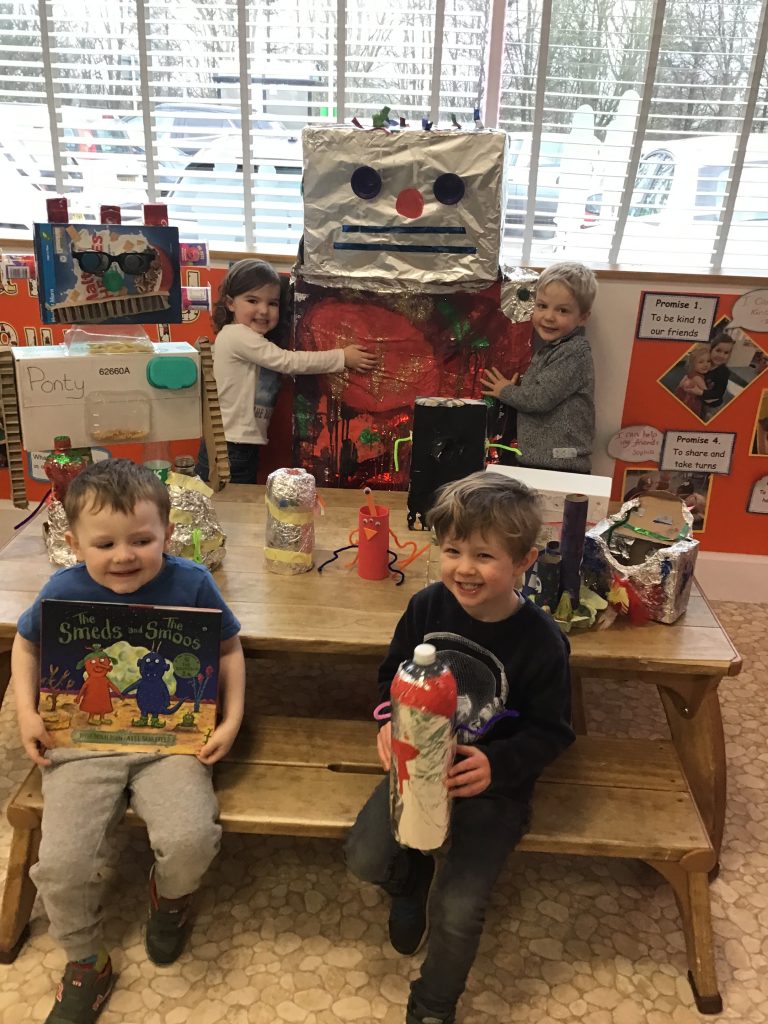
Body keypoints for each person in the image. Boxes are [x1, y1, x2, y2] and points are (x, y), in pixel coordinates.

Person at [12, 459, 246, 1024]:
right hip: (79, 747)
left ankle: (170, 898)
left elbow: (228, 648)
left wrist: (233, 719)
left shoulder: (192, 581)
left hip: (171, 745)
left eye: (142, 540)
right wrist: (25, 714)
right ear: (74, 544)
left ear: (168, 532)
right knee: (60, 866)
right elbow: (26, 644)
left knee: (191, 840)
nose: (124, 556)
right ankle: (85, 959)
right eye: (105, 543)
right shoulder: (62, 588)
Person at [345, 471, 574, 1024]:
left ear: (523, 561)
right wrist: (389, 721)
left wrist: (498, 764)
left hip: (493, 786)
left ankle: (433, 1005)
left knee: (459, 908)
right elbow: (390, 675)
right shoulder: (427, 607)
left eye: (484, 556)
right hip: (416, 762)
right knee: (364, 858)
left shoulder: (542, 642)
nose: (464, 568)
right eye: (452, 550)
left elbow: (553, 731)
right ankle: (410, 881)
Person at [196, 259, 377, 483]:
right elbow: (287, 361)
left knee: (233, 498)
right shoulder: (237, 335)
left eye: (272, 303)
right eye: (252, 300)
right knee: (229, 500)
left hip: (237, 443)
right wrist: (342, 357)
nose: (263, 310)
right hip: (229, 446)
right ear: (230, 303)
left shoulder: (249, 338)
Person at [480, 261, 597, 474]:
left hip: (559, 463)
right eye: (542, 306)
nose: (549, 317)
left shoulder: (573, 352)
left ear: (582, 318)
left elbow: (539, 399)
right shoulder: (555, 348)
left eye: (562, 310)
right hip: (544, 459)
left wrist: (505, 391)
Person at [701, 331, 735, 419]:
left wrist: (700, 392)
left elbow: (718, 394)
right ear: (711, 349)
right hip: (700, 402)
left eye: (726, 353)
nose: (721, 355)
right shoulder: (704, 364)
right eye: (718, 350)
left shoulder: (724, 372)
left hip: (713, 407)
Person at [674, 344, 711, 418]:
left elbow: (678, 389)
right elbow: (708, 398)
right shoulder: (698, 378)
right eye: (701, 362)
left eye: (708, 361)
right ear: (693, 364)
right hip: (692, 403)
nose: (706, 365)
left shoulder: (691, 373)